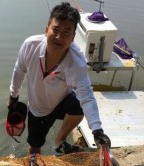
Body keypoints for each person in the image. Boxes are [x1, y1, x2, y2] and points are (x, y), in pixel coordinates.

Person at [7, 2, 111, 155]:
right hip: (38, 108)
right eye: (55, 30)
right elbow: (19, 70)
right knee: (35, 146)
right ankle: (35, 165)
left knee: (78, 103)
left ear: (73, 37)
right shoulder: (30, 46)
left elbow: (87, 96)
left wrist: (97, 130)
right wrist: (13, 96)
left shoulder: (77, 62)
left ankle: (60, 141)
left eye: (66, 32)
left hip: (62, 101)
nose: (59, 37)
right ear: (46, 30)